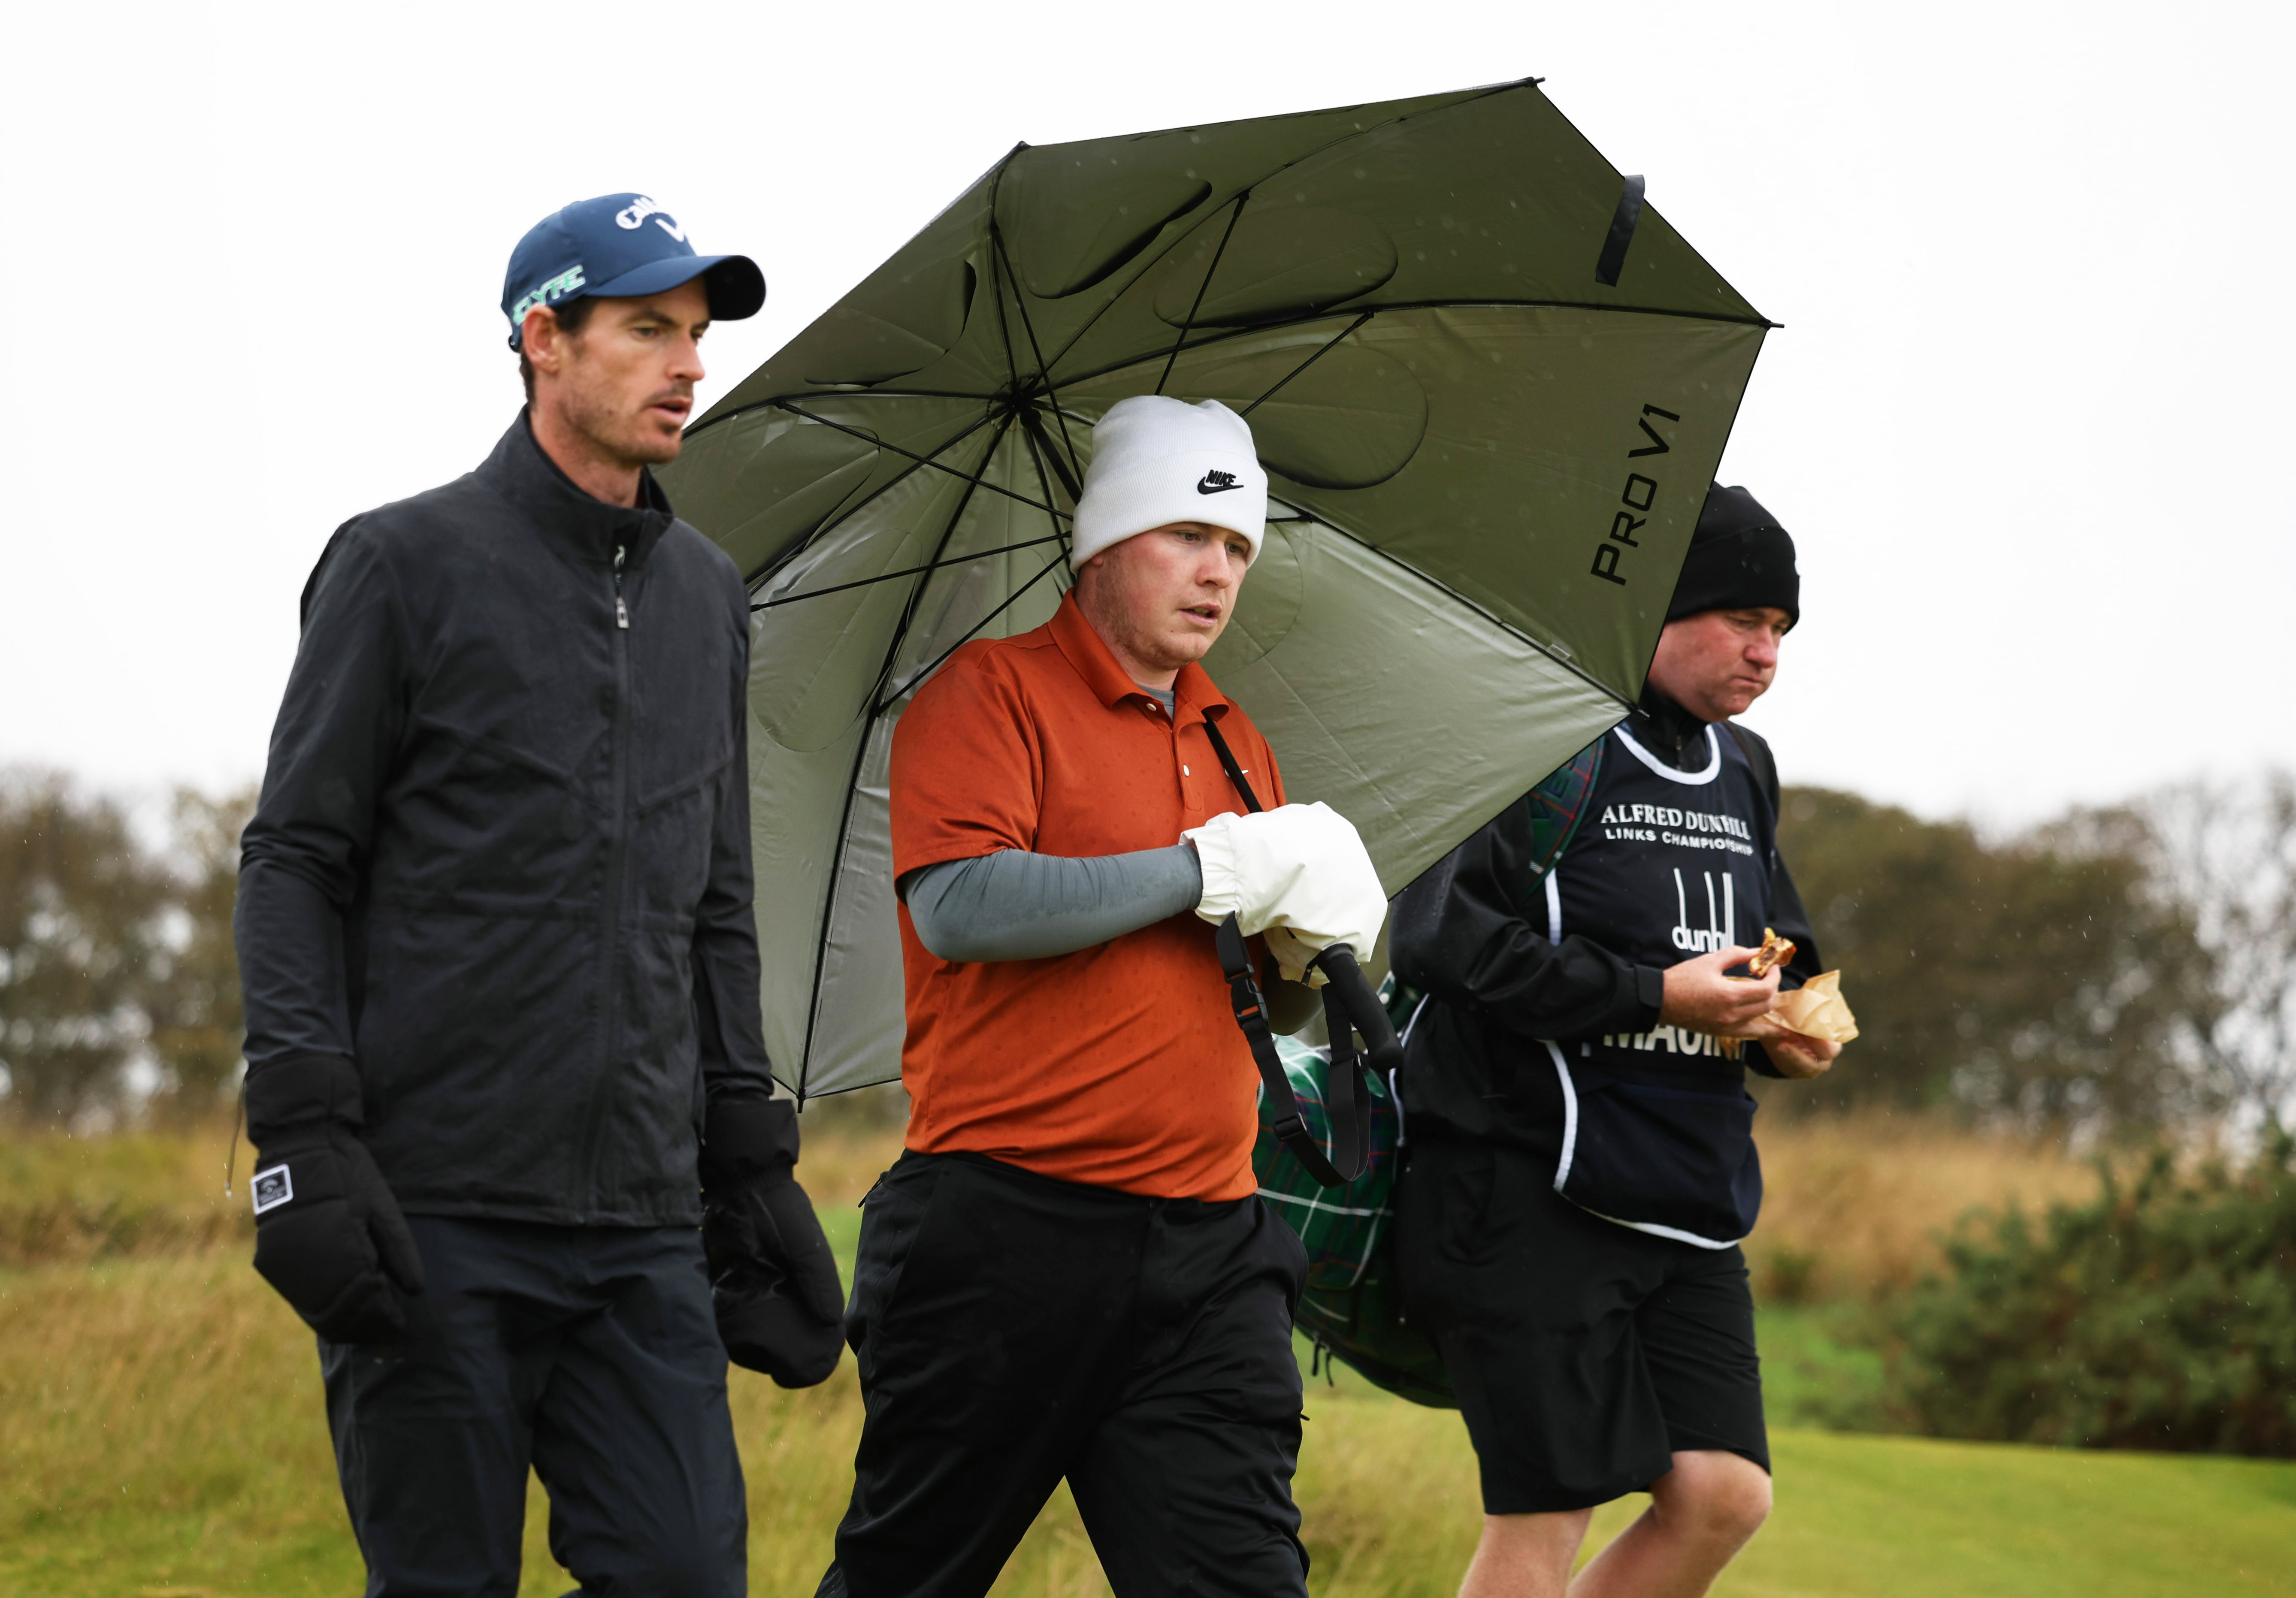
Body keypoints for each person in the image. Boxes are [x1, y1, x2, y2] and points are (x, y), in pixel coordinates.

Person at [233, 193, 843, 1598]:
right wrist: (305, 1132)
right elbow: (296, 860)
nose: (688, 364)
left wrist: (744, 1146)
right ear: (542, 339)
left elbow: (717, 893)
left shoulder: (708, 594)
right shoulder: (399, 564)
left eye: (694, 335)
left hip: (641, 1220)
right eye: (647, 329)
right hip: (428, 1206)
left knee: (688, 1574)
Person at [814, 396, 1388, 1598]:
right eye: (1187, 533)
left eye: (1237, 547)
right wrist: (1204, 867)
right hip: (1003, 1235)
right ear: (1103, 542)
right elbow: (960, 906)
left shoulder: (1239, 741)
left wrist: (1303, 960)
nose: (1216, 570)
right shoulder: (987, 692)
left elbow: (1249, 1016)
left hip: (1209, 1243)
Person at [1389, 484, 1842, 1598]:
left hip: (1685, 1190)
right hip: (1520, 1181)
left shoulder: (1745, 768)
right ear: (1659, 607)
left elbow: (1785, 948)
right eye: (1741, 618)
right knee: (1548, 1512)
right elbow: (1434, 939)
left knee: (1723, 1491)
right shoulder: (1538, 736)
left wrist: (1803, 1024)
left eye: (1779, 629)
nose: (1763, 650)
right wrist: (1651, 994)